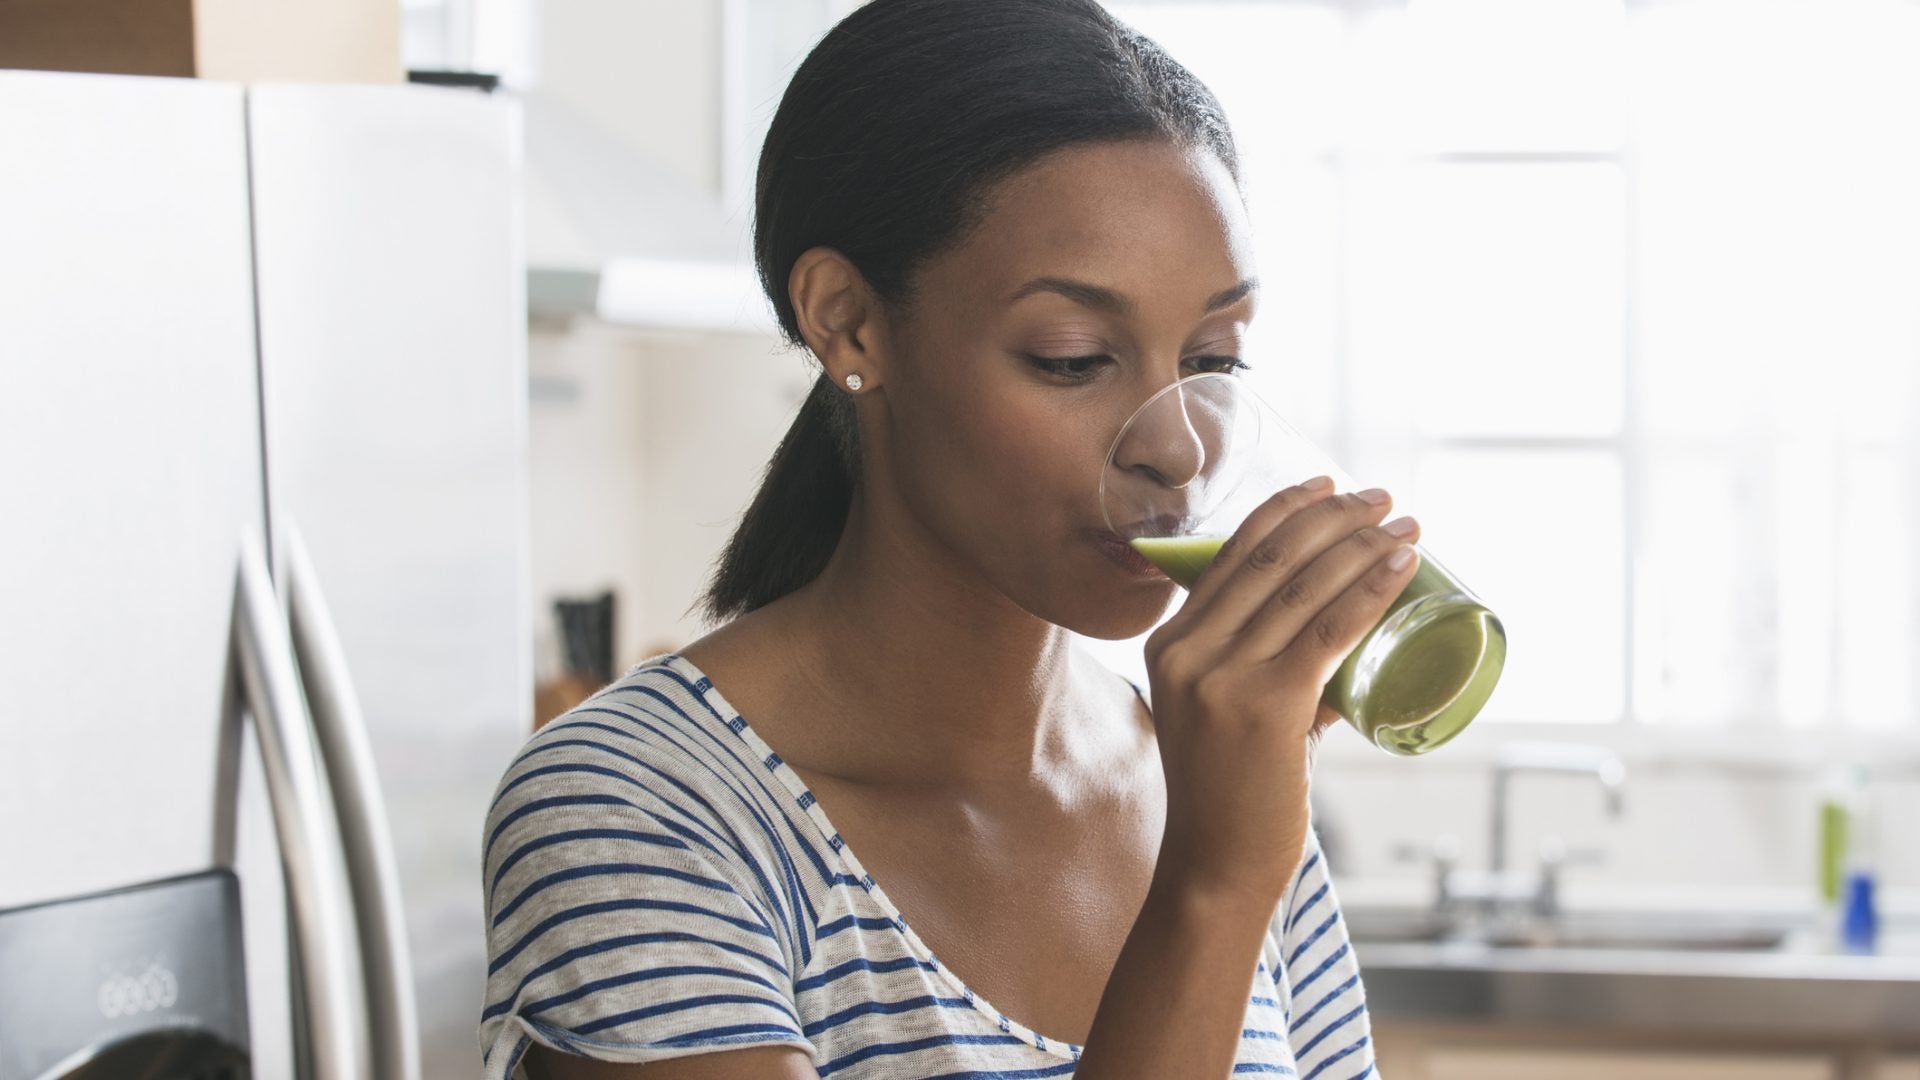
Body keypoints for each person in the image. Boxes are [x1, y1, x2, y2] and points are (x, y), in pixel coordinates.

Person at [480, 1, 1416, 1076]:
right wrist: (1207, 891)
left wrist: (1234, 850)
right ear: (851, 324)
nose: (1181, 451)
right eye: (1073, 357)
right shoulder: (638, 811)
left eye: (1212, 360)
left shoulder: (1212, 781)